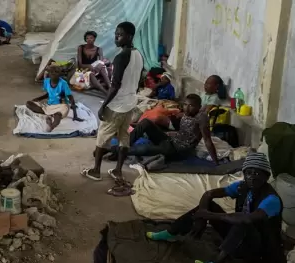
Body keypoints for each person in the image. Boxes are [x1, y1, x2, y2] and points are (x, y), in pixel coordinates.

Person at [146, 152, 287, 263]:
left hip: (261, 251)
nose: (251, 177)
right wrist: (203, 216)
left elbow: (247, 219)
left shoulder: (271, 200)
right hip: (242, 240)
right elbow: (209, 194)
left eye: (257, 173)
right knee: (208, 205)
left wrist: (209, 216)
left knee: (241, 221)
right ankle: (172, 231)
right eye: (248, 173)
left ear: (266, 176)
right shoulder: (243, 186)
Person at [82, 22, 143, 185]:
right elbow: (137, 81)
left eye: (120, 34)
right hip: (130, 103)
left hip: (117, 105)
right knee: (124, 137)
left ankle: (96, 171)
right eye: (116, 34)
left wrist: (104, 105)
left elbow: (115, 85)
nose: (116, 37)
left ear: (129, 36)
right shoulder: (138, 54)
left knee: (102, 137)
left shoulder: (122, 56)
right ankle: (118, 170)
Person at [121, 94, 218, 162]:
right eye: (185, 104)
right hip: (170, 140)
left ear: (199, 107)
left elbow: (208, 140)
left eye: (191, 106)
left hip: (178, 150)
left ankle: (118, 151)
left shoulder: (201, 118)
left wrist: (216, 162)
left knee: (144, 149)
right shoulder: (186, 113)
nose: (187, 108)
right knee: (146, 122)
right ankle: (124, 145)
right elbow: (182, 128)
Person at [26, 65, 83, 132]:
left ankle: (51, 126)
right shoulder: (46, 81)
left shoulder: (63, 83)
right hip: (49, 105)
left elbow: (71, 98)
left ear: (60, 74)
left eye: (56, 72)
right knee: (28, 103)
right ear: (49, 73)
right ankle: (50, 114)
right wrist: (38, 98)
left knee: (58, 115)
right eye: (52, 72)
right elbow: (48, 94)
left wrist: (75, 115)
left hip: (61, 106)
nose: (54, 74)